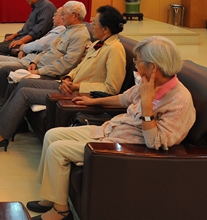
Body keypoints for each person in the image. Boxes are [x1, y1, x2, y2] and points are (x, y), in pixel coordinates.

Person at [25, 36, 196, 220]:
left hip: (128, 147)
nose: (135, 65)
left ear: (153, 67)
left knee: (58, 150)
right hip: (111, 130)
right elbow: (124, 99)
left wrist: (147, 106)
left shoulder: (180, 102)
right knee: (52, 135)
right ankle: (53, 198)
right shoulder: (149, 83)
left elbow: (154, 142)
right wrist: (93, 102)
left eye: (137, 61)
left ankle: (61, 212)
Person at [0, 5, 127, 152]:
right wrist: (68, 77)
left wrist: (78, 87)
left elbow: (111, 88)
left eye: (94, 23)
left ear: (105, 29)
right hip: (67, 85)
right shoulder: (97, 44)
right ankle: (8, 126)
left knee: (25, 93)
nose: (91, 25)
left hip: (80, 94)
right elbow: (78, 67)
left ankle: (0, 137)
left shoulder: (115, 49)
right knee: (23, 82)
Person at [0, 1, 91, 116]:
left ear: (75, 16)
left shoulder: (79, 35)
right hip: (39, 65)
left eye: (64, 14)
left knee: (12, 74)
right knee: (11, 74)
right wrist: (34, 61)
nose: (61, 17)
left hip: (49, 73)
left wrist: (39, 71)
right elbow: (48, 49)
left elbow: (67, 63)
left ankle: (5, 112)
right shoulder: (67, 30)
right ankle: (4, 110)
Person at [0, 7, 65, 107]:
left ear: (63, 17)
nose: (52, 17)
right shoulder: (55, 29)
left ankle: (0, 102)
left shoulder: (61, 30)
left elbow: (40, 45)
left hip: (32, 62)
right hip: (31, 57)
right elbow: (42, 46)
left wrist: (23, 47)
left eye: (55, 15)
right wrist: (23, 50)